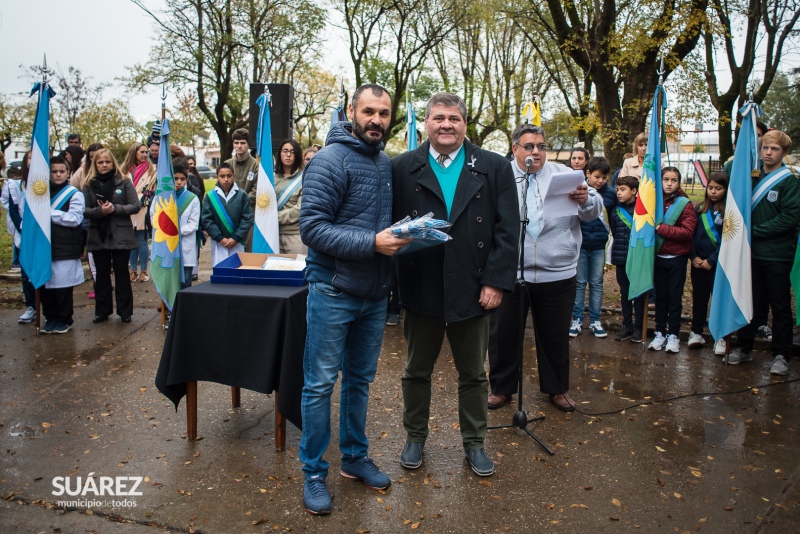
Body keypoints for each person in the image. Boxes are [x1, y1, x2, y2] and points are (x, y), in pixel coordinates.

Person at [392, 92, 519, 477]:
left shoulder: (495, 167)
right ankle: (415, 437)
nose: (446, 124)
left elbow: (507, 229)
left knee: (474, 374)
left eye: (454, 118)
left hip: (474, 287)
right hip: (421, 286)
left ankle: (475, 442)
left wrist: (496, 281)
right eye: (438, 118)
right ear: (425, 124)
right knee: (416, 370)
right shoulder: (401, 167)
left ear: (465, 124)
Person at [298, 84, 410, 516]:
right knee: (320, 384)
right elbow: (313, 229)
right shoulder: (329, 159)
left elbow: (378, 228)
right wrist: (373, 242)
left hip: (374, 294)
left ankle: (353, 458)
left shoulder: (383, 161)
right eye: (369, 112)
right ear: (351, 112)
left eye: (384, 113)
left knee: (360, 382)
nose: (377, 120)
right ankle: (313, 472)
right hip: (333, 289)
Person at [487, 124, 602, 413]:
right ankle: (501, 387)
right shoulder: (500, 178)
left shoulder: (565, 175)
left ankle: (557, 389)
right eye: (529, 146)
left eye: (540, 146)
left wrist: (586, 199)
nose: (536, 152)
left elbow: (594, 210)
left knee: (554, 334)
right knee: (503, 335)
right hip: (511, 273)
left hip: (557, 271)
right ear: (515, 149)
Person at [727, 130, 800, 375]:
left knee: (779, 306)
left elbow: (789, 218)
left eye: (775, 149)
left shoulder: (790, 180)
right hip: (750, 254)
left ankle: (781, 354)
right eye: (765, 148)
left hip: (777, 255)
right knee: (751, 303)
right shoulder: (751, 177)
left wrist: (754, 231)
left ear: (784, 153)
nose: (768, 153)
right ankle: (744, 347)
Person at [83, 149, 140, 324]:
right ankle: (102, 310)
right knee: (101, 274)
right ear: (95, 164)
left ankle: (125, 312)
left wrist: (116, 209)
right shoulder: (88, 184)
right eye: (100, 162)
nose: (104, 165)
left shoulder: (123, 182)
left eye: (107, 162)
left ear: (113, 163)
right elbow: (83, 210)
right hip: (98, 234)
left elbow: (135, 205)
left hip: (120, 234)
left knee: (122, 273)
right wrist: (100, 211)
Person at [648, 167, 696, 353]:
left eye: (673, 180)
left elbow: (687, 232)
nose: (669, 183)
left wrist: (662, 229)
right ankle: (659, 332)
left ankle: (673, 334)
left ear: (679, 182)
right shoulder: (655, 202)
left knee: (674, 298)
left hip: (676, 258)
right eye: (665, 179)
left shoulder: (685, 204)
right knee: (660, 298)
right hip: (658, 257)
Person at [571, 156, 615, 338]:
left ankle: (596, 320)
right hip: (580, 245)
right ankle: (577, 319)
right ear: (587, 173)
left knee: (596, 283)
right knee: (579, 283)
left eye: (604, 178)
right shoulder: (578, 190)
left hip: (598, 246)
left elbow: (615, 219)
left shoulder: (611, 194)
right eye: (597, 176)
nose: (600, 181)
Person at [40, 156, 84, 334]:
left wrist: (50, 214)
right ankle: (50, 318)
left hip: (65, 245)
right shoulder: (40, 194)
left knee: (62, 287)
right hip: (44, 246)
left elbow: (75, 219)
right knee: (44, 285)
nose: (58, 175)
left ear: (68, 173)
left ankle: (64, 319)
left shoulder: (74, 194)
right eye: (54, 171)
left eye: (61, 171)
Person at [688, 172, 728, 352]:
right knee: (699, 300)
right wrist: (694, 256)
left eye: (718, 189)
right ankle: (696, 332)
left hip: (718, 264)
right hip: (698, 263)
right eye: (710, 188)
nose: (713, 192)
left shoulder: (729, 211)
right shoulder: (699, 209)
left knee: (719, 300)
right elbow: (691, 236)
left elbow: (729, 240)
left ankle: (721, 336)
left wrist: (712, 260)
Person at [608, 175, 645, 342]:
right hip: (621, 258)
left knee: (638, 294)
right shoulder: (615, 211)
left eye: (623, 190)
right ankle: (627, 325)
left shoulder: (642, 211)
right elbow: (615, 232)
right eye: (617, 190)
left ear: (634, 191)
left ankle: (638, 327)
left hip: (637, 260)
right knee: (625, 294)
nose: (619, 193)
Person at [152, 165, 200, 290]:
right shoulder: (160, 197)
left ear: (186, 180)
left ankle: (183, 308)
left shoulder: (193, 199)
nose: (178, 182)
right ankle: (170, 307)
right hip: (166, 245)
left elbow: (193, 224)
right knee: (167, 281)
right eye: (175, 178)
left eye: (182, 179)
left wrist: (174, 232)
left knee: (185, 282)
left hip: (184, 244)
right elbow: (154, 216)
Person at [200, 163, 253, 266]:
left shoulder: (242, 195)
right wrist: (220, 238)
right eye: (222, 176)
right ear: (217, 177)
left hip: (237, 242)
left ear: (234, 176)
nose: (226, 179)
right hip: (218, 242)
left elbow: (246, 218)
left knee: (238, 269)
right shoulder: (210, 196)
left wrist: (236, 237)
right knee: (220, 269)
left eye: (229, 176)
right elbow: (206, 219)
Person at [121, 143, 157, 283]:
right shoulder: (124, 170)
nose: (144, 154)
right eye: (141, 152)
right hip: (128, 209)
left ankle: (144, 271)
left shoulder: (152, 170)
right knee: (131, 241)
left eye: (145, 152)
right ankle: (133, 270)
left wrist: (144, 198)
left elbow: (153, 188)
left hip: (143, 208)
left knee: (141, 240)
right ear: (133, 152)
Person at [273, 139, 307, 254]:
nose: (288, 155)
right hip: (272, 235)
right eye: (285, 151)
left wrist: (274, 217)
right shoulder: (270, 178)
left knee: (297, 270)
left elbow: (299, 209)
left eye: (292, 152)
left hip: (295, 235)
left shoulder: (304, 178)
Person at [16, 151, 37, 323]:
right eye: (30, 158)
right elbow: (15, 210)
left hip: (42, 234)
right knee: (26, 272)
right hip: (23, 232)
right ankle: (31, 306)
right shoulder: (17, 185)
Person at [225, 128, 258, 196]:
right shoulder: (226, 164)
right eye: (236, 143)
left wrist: (243, 202)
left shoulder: (256, 164)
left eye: (243, 143)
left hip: (249, 205)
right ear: (233, 144)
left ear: (248, 144)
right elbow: (221, 186)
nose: (239, 146)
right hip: (230, 205)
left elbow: (257, 188)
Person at [1, 166, 23, 272]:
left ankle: (18, 260)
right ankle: (15, 261)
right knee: (16, 239)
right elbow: (5, 200)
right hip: (13, 215)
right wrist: (11, 210)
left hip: (18, 214)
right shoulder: (9, 185)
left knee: (18, 238)